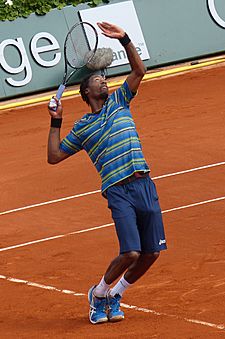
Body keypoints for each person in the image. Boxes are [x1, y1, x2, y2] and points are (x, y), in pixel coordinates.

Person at [47, 22, 167, 325]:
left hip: (144, 183)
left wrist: (125, 39)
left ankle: (116, 295)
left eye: (104, 77)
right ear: (86, 92)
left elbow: (139, 71)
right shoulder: (83, 128)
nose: (104, 81)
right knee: (131, 253)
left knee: (151, 254)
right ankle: (98, 294)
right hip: (117, 190)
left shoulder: (120, 101)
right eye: (98, 79)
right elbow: (54, 156)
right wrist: (55, 121)